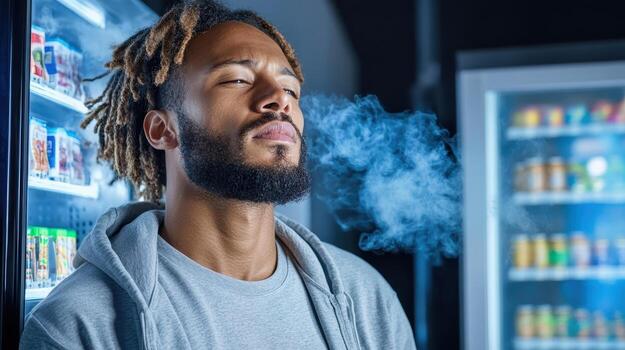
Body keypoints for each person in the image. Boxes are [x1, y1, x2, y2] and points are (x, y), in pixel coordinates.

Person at [20, 1, 416, 349]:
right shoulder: (77, 326)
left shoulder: (366, 298)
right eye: (237, 79)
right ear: (162, 130)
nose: (279, 99)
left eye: (291, 90)